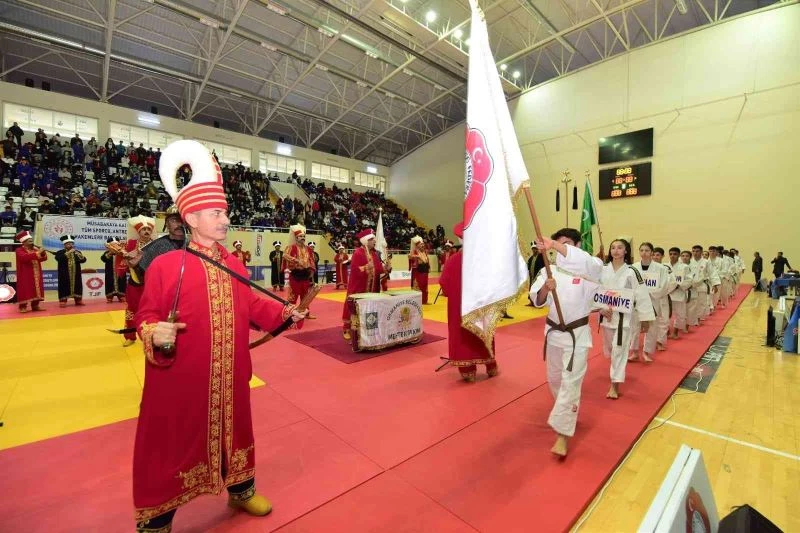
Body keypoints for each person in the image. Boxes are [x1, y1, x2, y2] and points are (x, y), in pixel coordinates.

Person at [132, 139, 306, 532]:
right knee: (172, 443)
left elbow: (253, 309)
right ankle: (158, 517)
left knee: (239, 427)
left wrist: (286, 312)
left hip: (231, 374)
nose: (225, 220)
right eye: (216, 213)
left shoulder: (235, 265)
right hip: (183, 380)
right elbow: (146, 316)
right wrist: (152, 332)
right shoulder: (166, 265)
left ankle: (241, 490)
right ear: (191, 217)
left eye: (225, 212)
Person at [530, 228, 602, 457]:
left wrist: (553, 244)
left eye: (567, 244)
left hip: (577, 336)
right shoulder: (548, 270)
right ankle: (568, 409)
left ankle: (562, 436)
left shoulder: (590, 267)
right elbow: (537, 300)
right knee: (554, 379)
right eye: (558, 244)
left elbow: (595, 271)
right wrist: (545, 287)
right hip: (553, 333)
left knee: (571, 382)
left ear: (578, 246)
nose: (560, 249)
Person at [599, 239, 654, 399]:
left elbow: (642, 295)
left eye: (620, 247)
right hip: (607, 316)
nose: (616, 250)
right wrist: (601, 308)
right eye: (613, 247)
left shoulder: (632, 271)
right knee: (610, 348)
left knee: (619, 351)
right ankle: (615, 371)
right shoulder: (603, 270)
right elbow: (597, 290)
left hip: (624, 318)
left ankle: (614, 385)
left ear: (626, 251)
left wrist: (645, 319)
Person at [630, 242, 670, 362]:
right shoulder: (633, 267)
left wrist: (648, 294)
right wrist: (637, 295)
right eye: (641, 250)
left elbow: (664, 286)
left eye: (647, 250)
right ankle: (635, 352)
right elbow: (629, 284)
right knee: (634, 327)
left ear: (652, 253)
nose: (644, 253)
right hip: (636, 302)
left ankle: (646, 352)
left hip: (653, 301)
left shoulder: (661, 268)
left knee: (651, 328)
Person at [341, 228, 384, 340]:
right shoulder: (358, 253)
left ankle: (366, 327)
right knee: (353, 307)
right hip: (359, 286)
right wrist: (366, 268)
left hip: (372, 287)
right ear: (366, 241)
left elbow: (378, 269)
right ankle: (347, 327)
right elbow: (355, 270)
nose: (375, 241)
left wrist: (386, 269)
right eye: (372, 239)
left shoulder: (374, 254)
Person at [119, 215, 156, 346]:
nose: (146, 231)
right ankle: (130, 336)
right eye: (143, 229)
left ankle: (152, 337)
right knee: (131, 309)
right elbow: (125, 260)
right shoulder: (131, 244)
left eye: (148, 229)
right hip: (135, 281)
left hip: (153, 283)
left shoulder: (156, 245)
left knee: (154, 310)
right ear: (138, 232)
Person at [282, 224, 316, 319]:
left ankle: (306, 313)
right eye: (300, 236)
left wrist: (311, 271)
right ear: (296, 238)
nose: (302, 238)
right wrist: (296, 260)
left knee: (305, 296)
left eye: (303, 236)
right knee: (293, 295)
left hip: (305, 274)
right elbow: (284, 255)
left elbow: (311, 261)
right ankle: (289, 314)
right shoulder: (291, 247)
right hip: (296, 274)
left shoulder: (308, 249)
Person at [14, 230, 47, 313]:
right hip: (25, 274)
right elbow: (24, 258)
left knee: (36, 289)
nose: (32, 242)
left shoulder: (34, 249)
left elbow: (43, 259)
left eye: (32, 240)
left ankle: (35, 305)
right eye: (30, 241)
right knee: (25, 289)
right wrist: (38, 252)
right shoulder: (19, 250)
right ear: (24, 242)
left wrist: (42, 253)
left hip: (36, 273)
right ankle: (22, 307)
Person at [54, 234, 86, 307]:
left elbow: (83, 260)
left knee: (77, 286)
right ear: (64, 245)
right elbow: (59, 259)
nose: (70, 245)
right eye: (68, 244)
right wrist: (68, 252)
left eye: (72, 243)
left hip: (76, 273)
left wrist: (78, 254)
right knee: (64, 286)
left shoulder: (77, 252)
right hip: (64, 274)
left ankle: (78, 300)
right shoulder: (60, 252)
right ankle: (63, 301)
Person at [668, 248, 693, 339]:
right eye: (670, 254)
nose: (672, 256)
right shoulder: (665, 266)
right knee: (665, 314)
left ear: (678, 255)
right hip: (667, 294)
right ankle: (666, 331)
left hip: (679, 293)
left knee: (679, 314)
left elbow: (689, 280)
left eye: (674, 254)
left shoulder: (684, 267)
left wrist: (678, 286)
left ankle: (675, 332)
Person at [101, 237, 127, 303]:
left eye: (116, 244)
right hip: (110, 272)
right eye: (113, 245)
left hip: (120, 271)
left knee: (121, 282)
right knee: (109, 282)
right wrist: (110, 253)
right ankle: (110, 297)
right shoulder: (107, 253)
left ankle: (121, 296)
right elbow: (103, 259)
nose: (115, 246)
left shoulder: (122, 253)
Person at [409, 235, 430, 304]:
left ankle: (424, 301)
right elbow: (410, 256)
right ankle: (417, 301)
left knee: (425, 286)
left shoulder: (425, 251)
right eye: (421, 244)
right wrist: (417, 257)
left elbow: (427, 260)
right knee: (419, 285)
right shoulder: (415, 251)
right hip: (418, 271)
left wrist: (429, 267)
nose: (422, 245)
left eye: (423, 244)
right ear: (417, 245)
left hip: (425, 271)